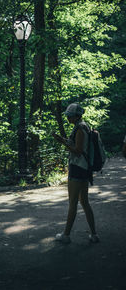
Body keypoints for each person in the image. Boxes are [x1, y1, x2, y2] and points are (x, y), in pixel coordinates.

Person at [53, 103, 99, 244]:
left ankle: (66, 235)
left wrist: (63, 143)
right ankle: (94, 234)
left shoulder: (80, 128)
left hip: (77, 168)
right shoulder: (84, 126)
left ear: (76, 116)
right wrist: (65, 141)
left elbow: (78, 151)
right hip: (84, 169)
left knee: (73, 202)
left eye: (69, 116)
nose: (67, 118)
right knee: (84, 202)